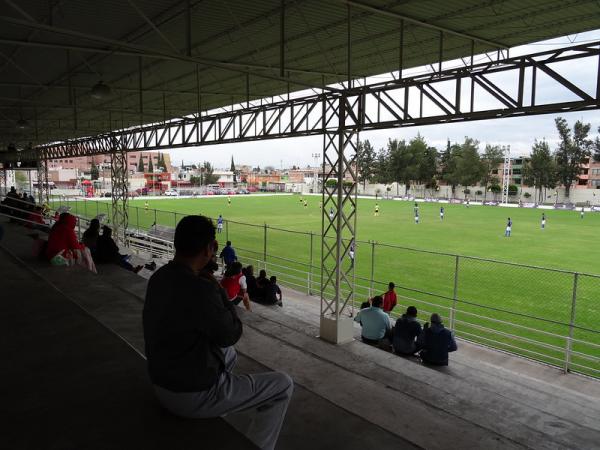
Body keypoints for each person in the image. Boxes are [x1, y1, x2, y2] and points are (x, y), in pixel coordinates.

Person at [143, 215, 293, 450]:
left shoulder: (159, 277)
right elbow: (232, 332)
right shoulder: (202, 289)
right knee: (283, 385)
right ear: (209, 248)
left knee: (229, 354)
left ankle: (217, 409)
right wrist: (216, 288)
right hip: (189, 395)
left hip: (160, 382)